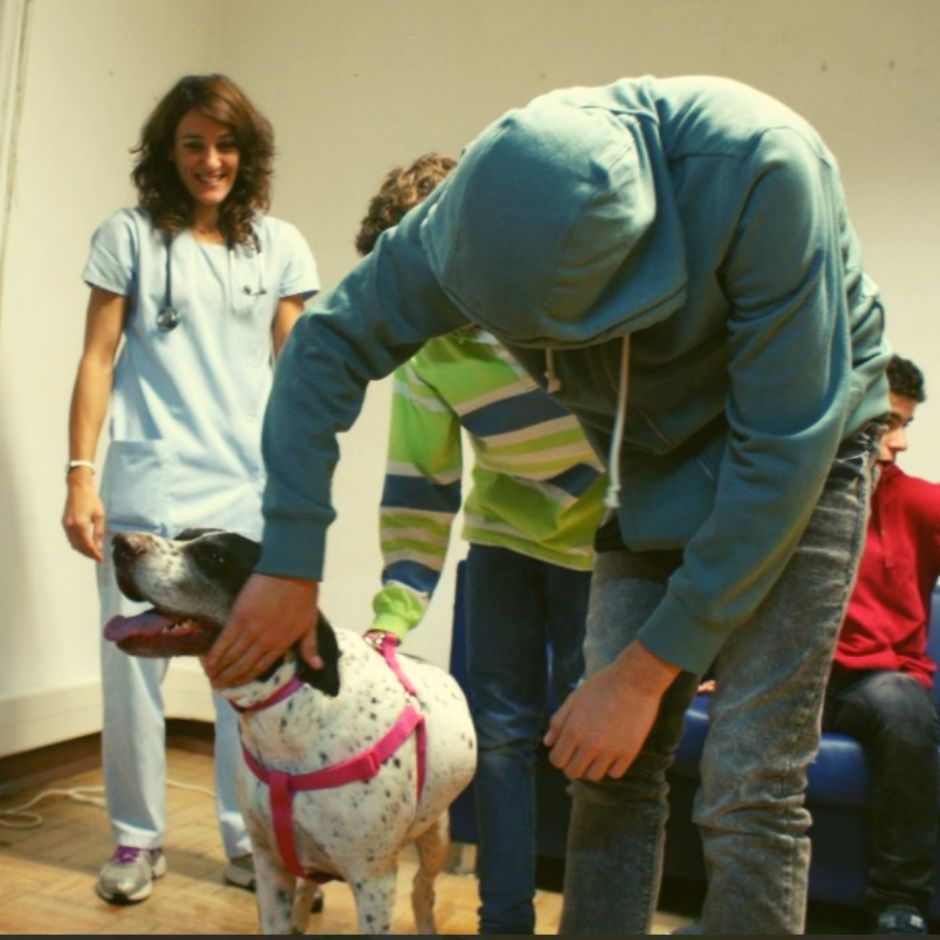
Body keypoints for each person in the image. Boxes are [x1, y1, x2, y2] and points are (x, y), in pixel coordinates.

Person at [204, 75, 891, 933]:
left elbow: (780, 453)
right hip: (642, 456)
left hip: (807, 456)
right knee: (603, 766)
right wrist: (290, 559)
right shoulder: (466, 218)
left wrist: (645, 671)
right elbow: (323, 351)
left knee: (749, 781)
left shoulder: (764, 171)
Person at [61, 73, 319, 904]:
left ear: (249, 153)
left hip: (244, 491)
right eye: (194, 144)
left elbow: (301, 375)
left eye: (227, 144)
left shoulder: (279, 247)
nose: (212, 160)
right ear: (167, 153)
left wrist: (301, 498)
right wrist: (80, 475)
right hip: (149, 484)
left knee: (241, 669)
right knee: (131, 668)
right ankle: (136, 841)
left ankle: (247, 838)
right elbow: (97, 359)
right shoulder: (128, 236)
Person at [356, 154, 607, 934]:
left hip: (606, 542)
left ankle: (596, 917)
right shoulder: (426, 351)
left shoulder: (557, 298)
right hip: (504, 536)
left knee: (594, 743)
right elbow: (422, 482)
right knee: (500, 741)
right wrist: (394, 611)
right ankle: (505, 920)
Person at [823, 355, 939, 935]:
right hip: (796, 672)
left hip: (877, 680)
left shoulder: (917, 502)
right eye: (886, 423)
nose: (899, 444)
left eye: (906, 426)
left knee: (902, 705)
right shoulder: (798, 491)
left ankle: (901, 904)